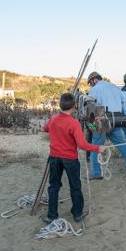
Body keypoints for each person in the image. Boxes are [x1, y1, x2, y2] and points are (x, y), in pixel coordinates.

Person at [43, 93, 104, 224]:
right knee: (75, 186)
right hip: (69, 159)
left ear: (60, 104)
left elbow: (45, 128)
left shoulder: (53, 119)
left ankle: (51, 215)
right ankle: (77, 214)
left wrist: (52, 121)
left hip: (54, 158)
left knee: (53, 186)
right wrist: (97, 148)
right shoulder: (74, 123)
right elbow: (82, 145)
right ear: (74, 107)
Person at [87, 72, 126, 178]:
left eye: (90, 83)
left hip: (102, 119)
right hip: (117, 119)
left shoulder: (94, 90)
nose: (91, 85)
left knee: (95, 146)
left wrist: (91, 126)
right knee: (122, 144)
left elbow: (92, 110)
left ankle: (96, 173)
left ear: (94, 80)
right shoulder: (116, 88)